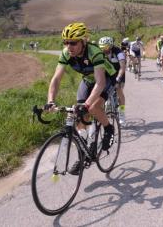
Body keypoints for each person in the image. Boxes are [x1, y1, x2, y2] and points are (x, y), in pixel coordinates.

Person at [45, 22, 116, 174]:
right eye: (66, 42)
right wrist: (50, 100)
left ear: (83, 41)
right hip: (88, 80)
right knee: (78, 113)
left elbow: (100, 82)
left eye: (73, 42)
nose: (69, 46)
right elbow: (56, 79)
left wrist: (87, 104)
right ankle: (84, 152)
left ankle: (109, 128)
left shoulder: (94, 52)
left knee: (93, 107)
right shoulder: (66, 54)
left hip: (106, 78)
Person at [99, 36, 127, 125]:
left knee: (119, 91)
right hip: (108, 73)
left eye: (106, 47)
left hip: (119, 73)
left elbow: (122, 68)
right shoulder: (100, 53)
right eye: (102, 48)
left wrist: (118, 80)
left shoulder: (118, 52)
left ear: (111, 46)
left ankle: (122, 113)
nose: (104, 50)